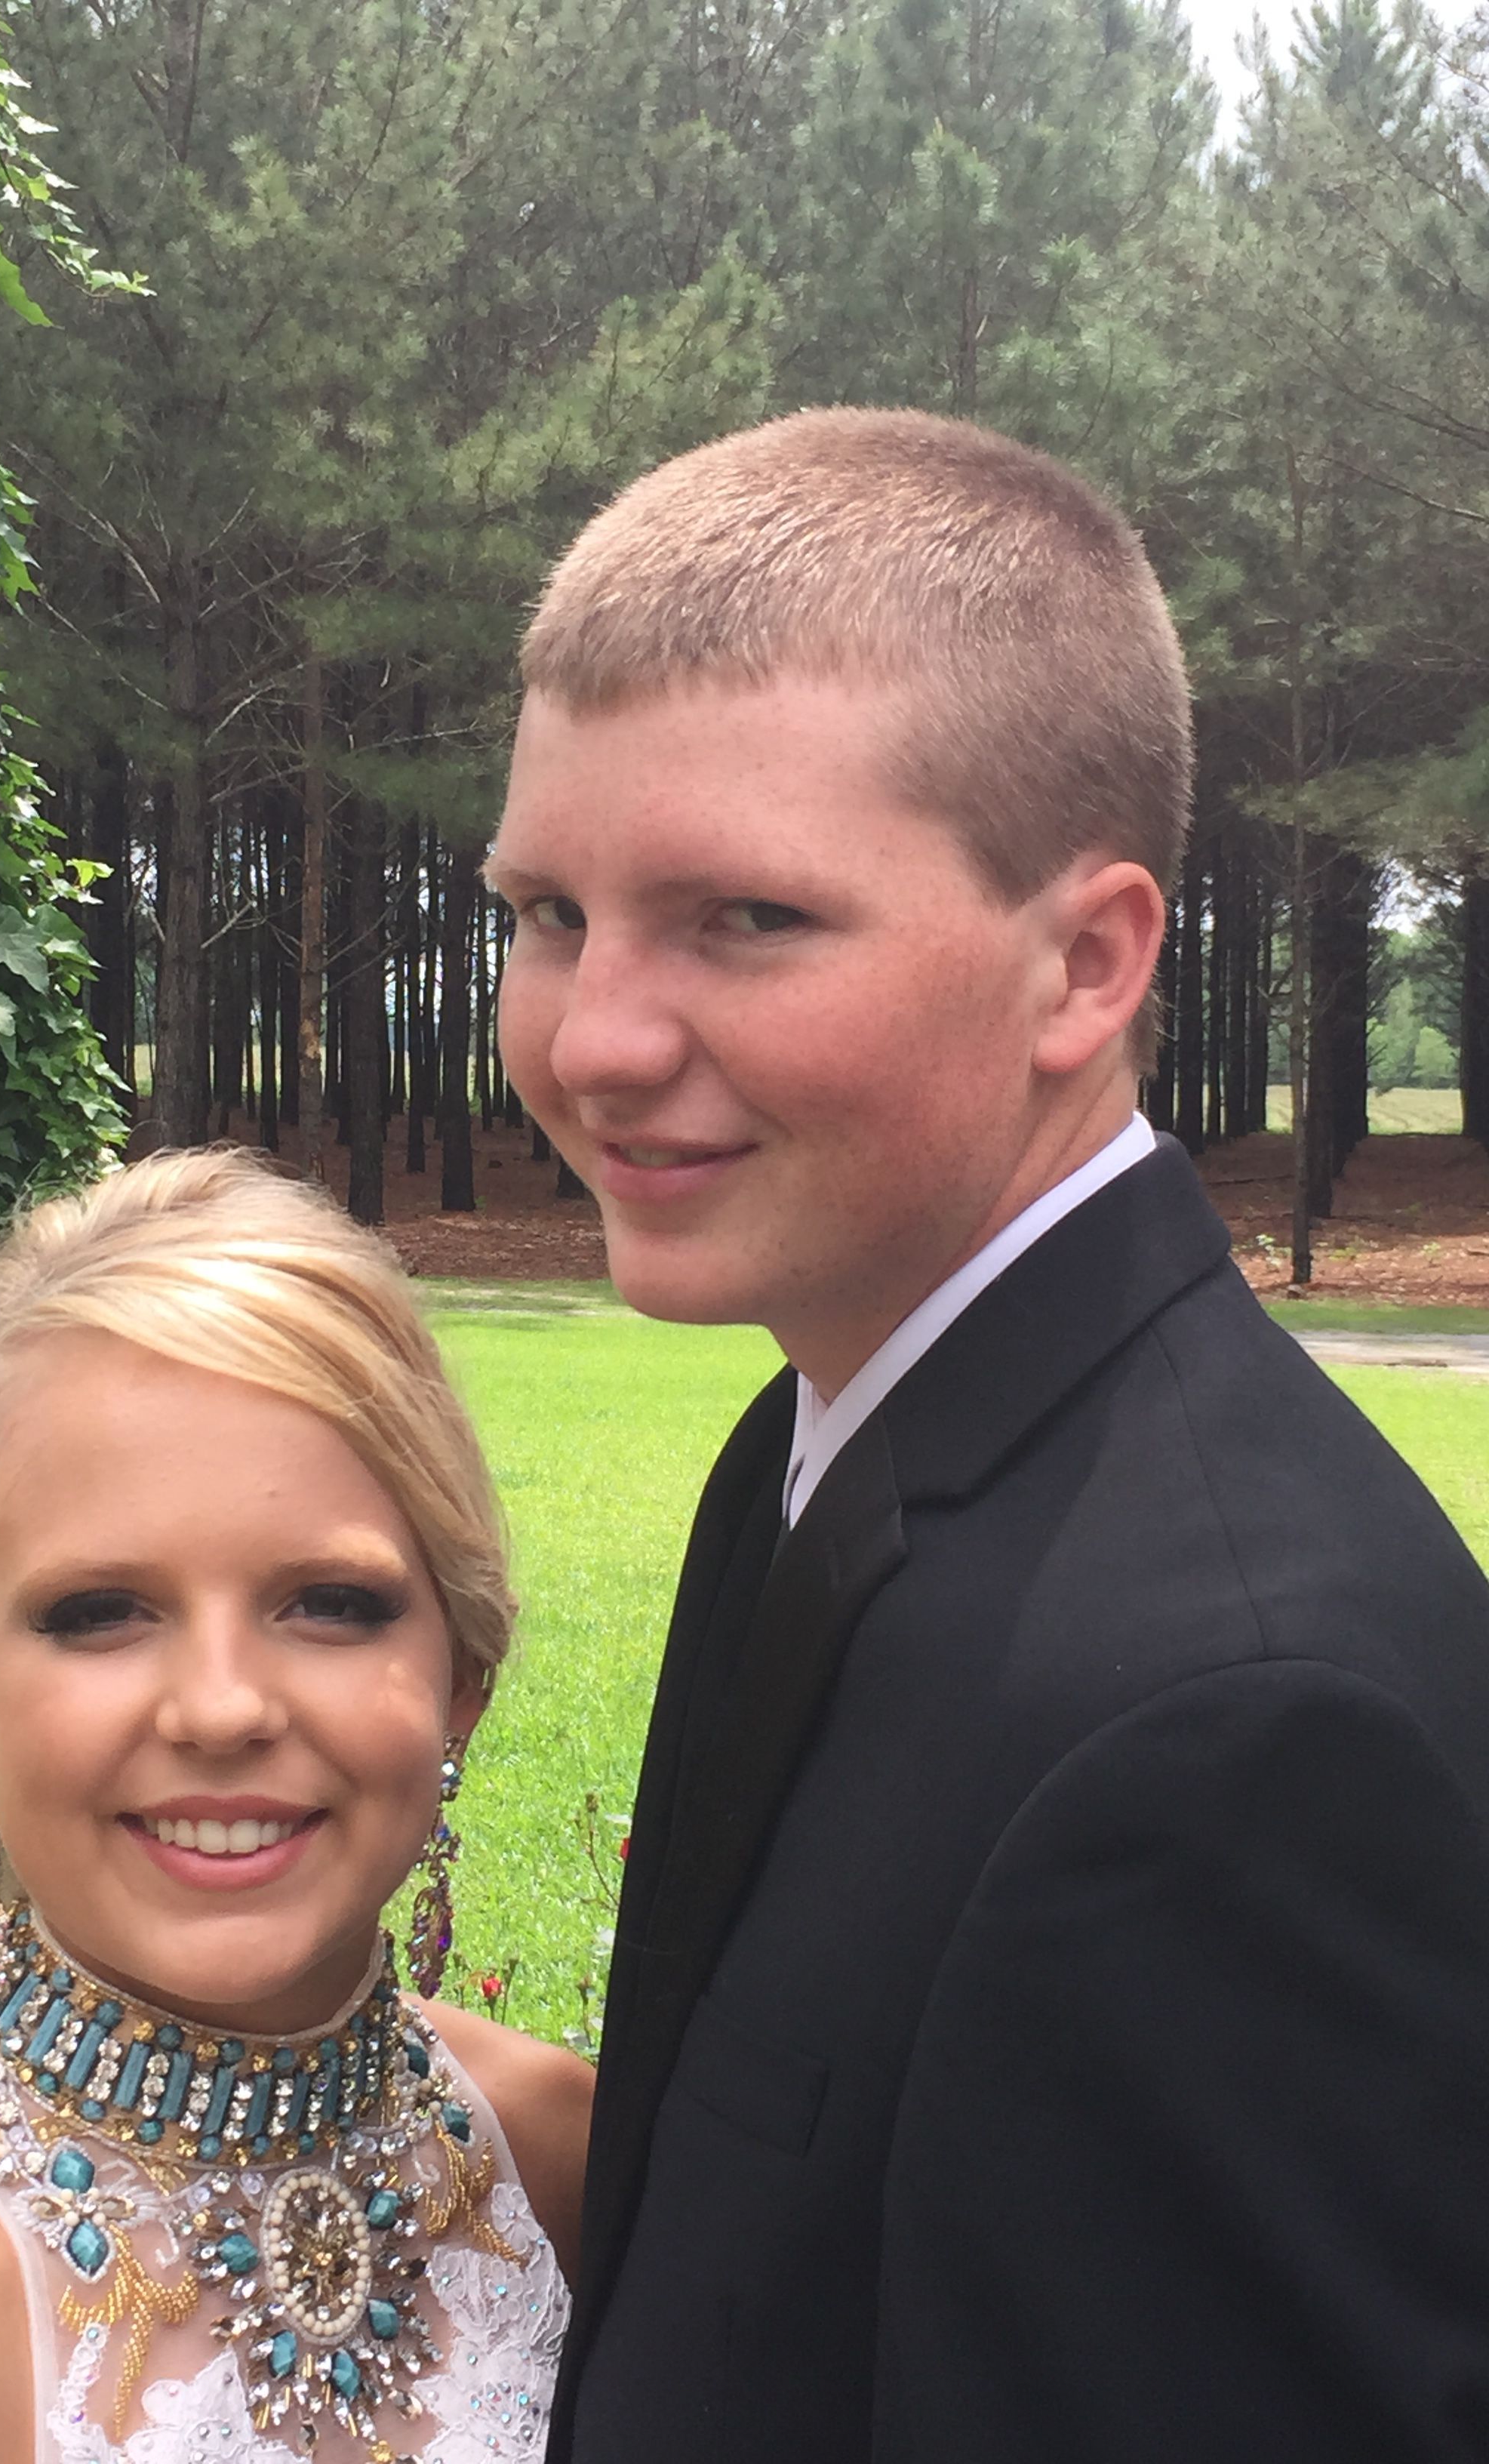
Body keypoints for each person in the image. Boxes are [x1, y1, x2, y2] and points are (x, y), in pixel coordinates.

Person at [487, 405, 1489, 2463]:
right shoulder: (822, 1442)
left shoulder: (1229, 1738)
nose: (592, 1039)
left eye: (746, 918)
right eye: (548, 911)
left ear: (1086, 963)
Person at [0, 1149, 590, 2464]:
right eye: (102, 1612)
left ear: (462, 1677)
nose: (220, 1708)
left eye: (330, 1603)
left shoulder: (573, 2160)